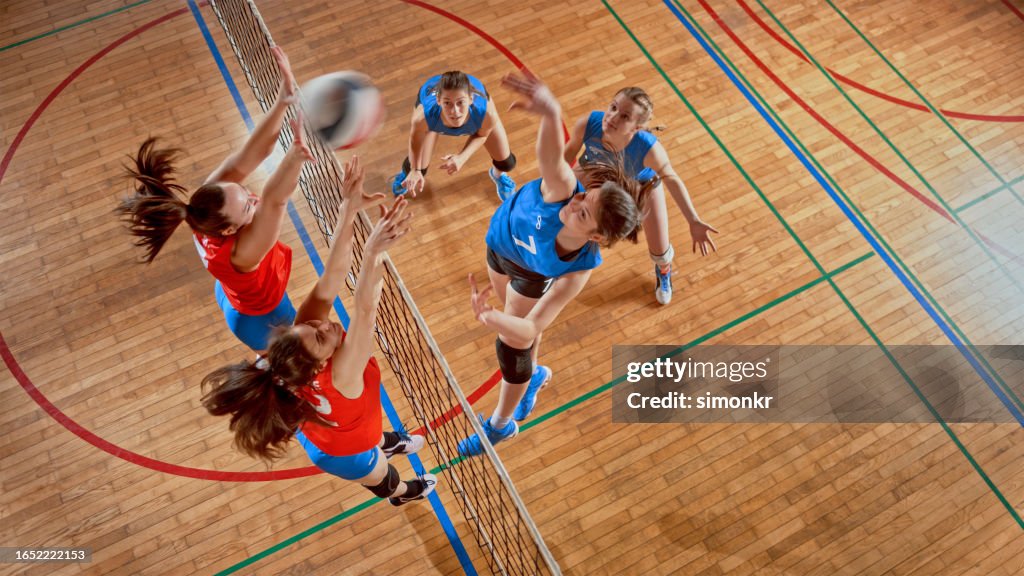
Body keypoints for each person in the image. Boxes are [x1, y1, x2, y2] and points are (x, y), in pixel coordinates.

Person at [202, 160, 436, 506]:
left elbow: (334, 272)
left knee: (370, 432)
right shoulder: (342, 374)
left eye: (313, 326)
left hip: (330, 421)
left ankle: (384, 440)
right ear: (317, 366)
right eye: (322, 336)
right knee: (385, 476)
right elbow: (365, 307)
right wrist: (372, 253)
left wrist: (349, 206)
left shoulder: (299, 343)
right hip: (342, 451)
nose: (325, 325)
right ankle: (404, 495)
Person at [457, 72, 658, 457]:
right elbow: (550, 156)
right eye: (587, 197)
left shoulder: (577, 270)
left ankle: (500, 424)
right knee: (521, 338)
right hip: (498, 248)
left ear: (596, 237)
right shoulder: (562, 190)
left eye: (585, 215)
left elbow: (532, 325)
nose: (576, 204)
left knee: (513, 340)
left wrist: (490, 318)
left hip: (530, 273)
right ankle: (534, 376)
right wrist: (551, 112)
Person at [117, 46, 311, 353]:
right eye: (247, 205)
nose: (253, 198)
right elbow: (275, 200)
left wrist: (283, 100)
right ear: (229, 231)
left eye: (245, 193)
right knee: (291, 365)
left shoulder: (201, 209)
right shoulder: (244, 254)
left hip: (231, 295)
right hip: (262, 319)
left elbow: (252, 154)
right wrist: (296, 156)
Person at [563, 87, 718, 305]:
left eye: (624, 116)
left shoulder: (648, 148)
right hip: (595, 170)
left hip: (639, 185)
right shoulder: (589, 123)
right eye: (613, 107)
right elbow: (566, 156)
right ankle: (561, 257)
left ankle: (664, 270)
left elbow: (672, 179)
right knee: (567, 211)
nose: (613, 116)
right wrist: (557, 187)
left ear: (637, 127)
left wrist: (693, 220)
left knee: (660, 249)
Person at [391, 70, 518, 201]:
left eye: (460, 103)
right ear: (438, 101)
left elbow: (481, 135)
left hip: (473, 117)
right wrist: (414, 170)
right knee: (418, 168)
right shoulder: (424, 117)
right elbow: (415, 140)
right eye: (447, 103)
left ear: (470, 99)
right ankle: (406, 174)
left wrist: (461, 158)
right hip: (434, 122)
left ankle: (498, 175)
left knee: (507, 163)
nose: (455, 111)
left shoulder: (486, 113)